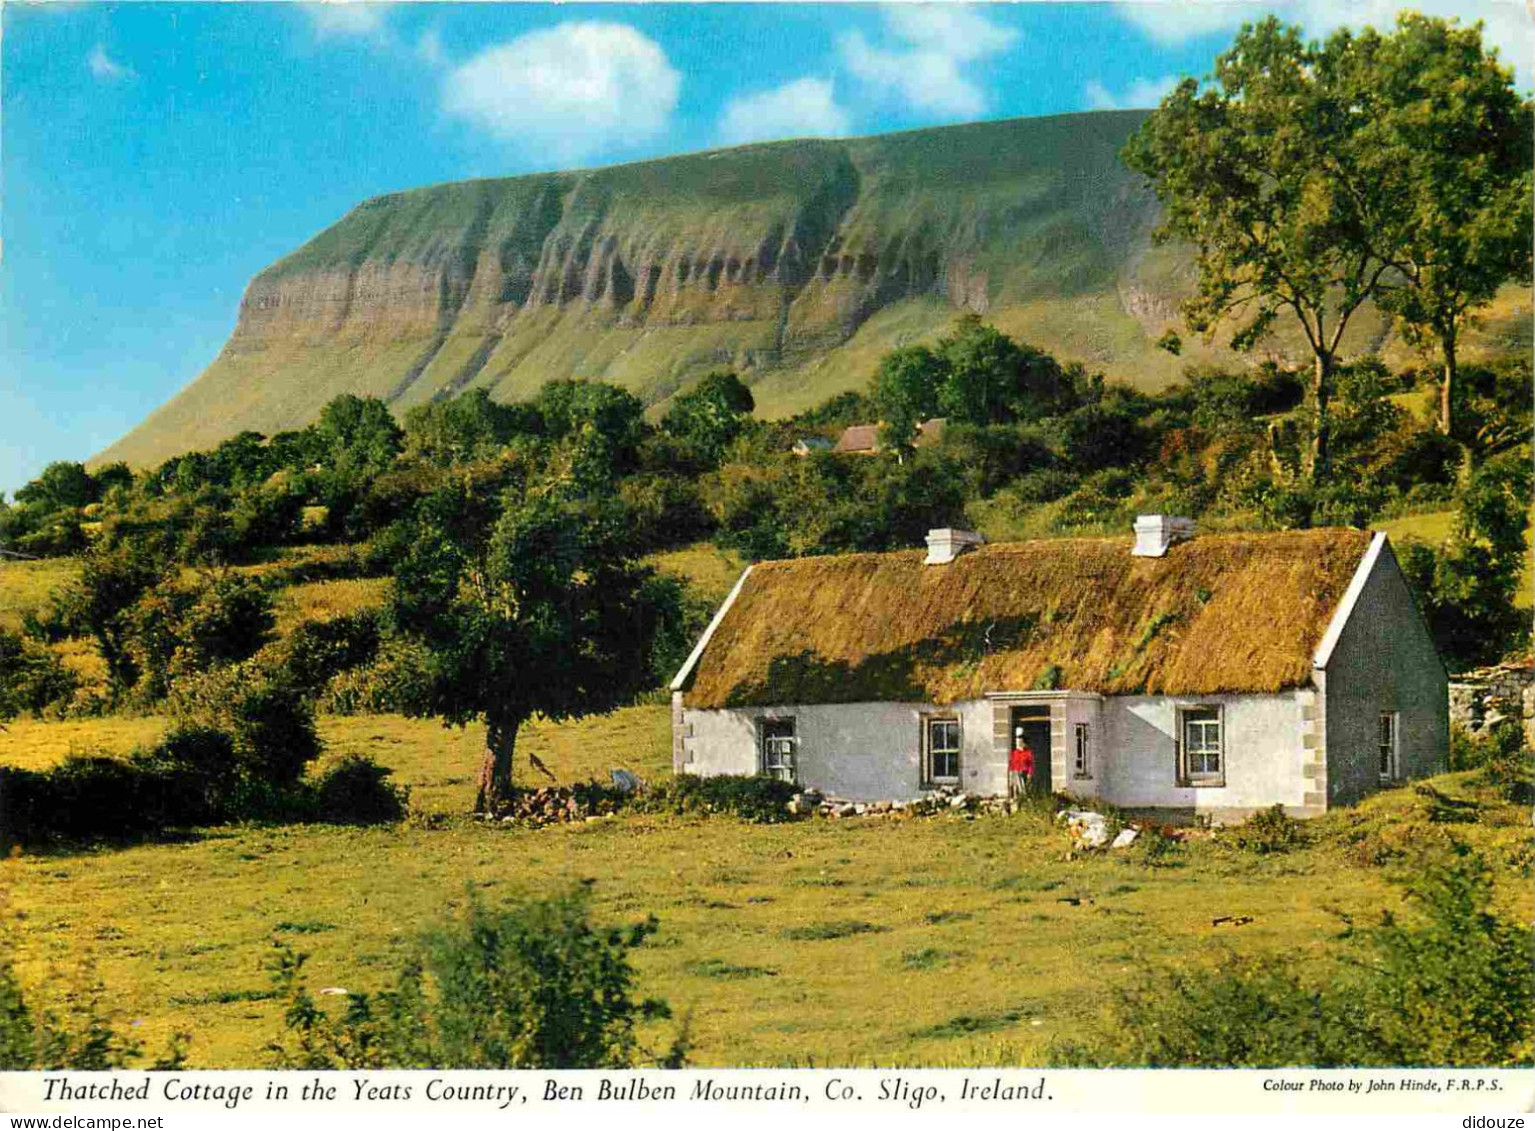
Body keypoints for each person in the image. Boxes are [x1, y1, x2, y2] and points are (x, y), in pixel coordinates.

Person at [1008, 730, 1035, 800]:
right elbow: (1012, 763)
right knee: (1015, 789)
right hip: (1015, 772)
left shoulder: (1028, 753)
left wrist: (1029, 773)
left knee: (1024, 789)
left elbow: (1031, 764)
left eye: (1021, 742)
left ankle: (1024, 799)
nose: (1020, 743)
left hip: (1024, 773)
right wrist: (1011, 773)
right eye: (1019, 741)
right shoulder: (1015, 753)